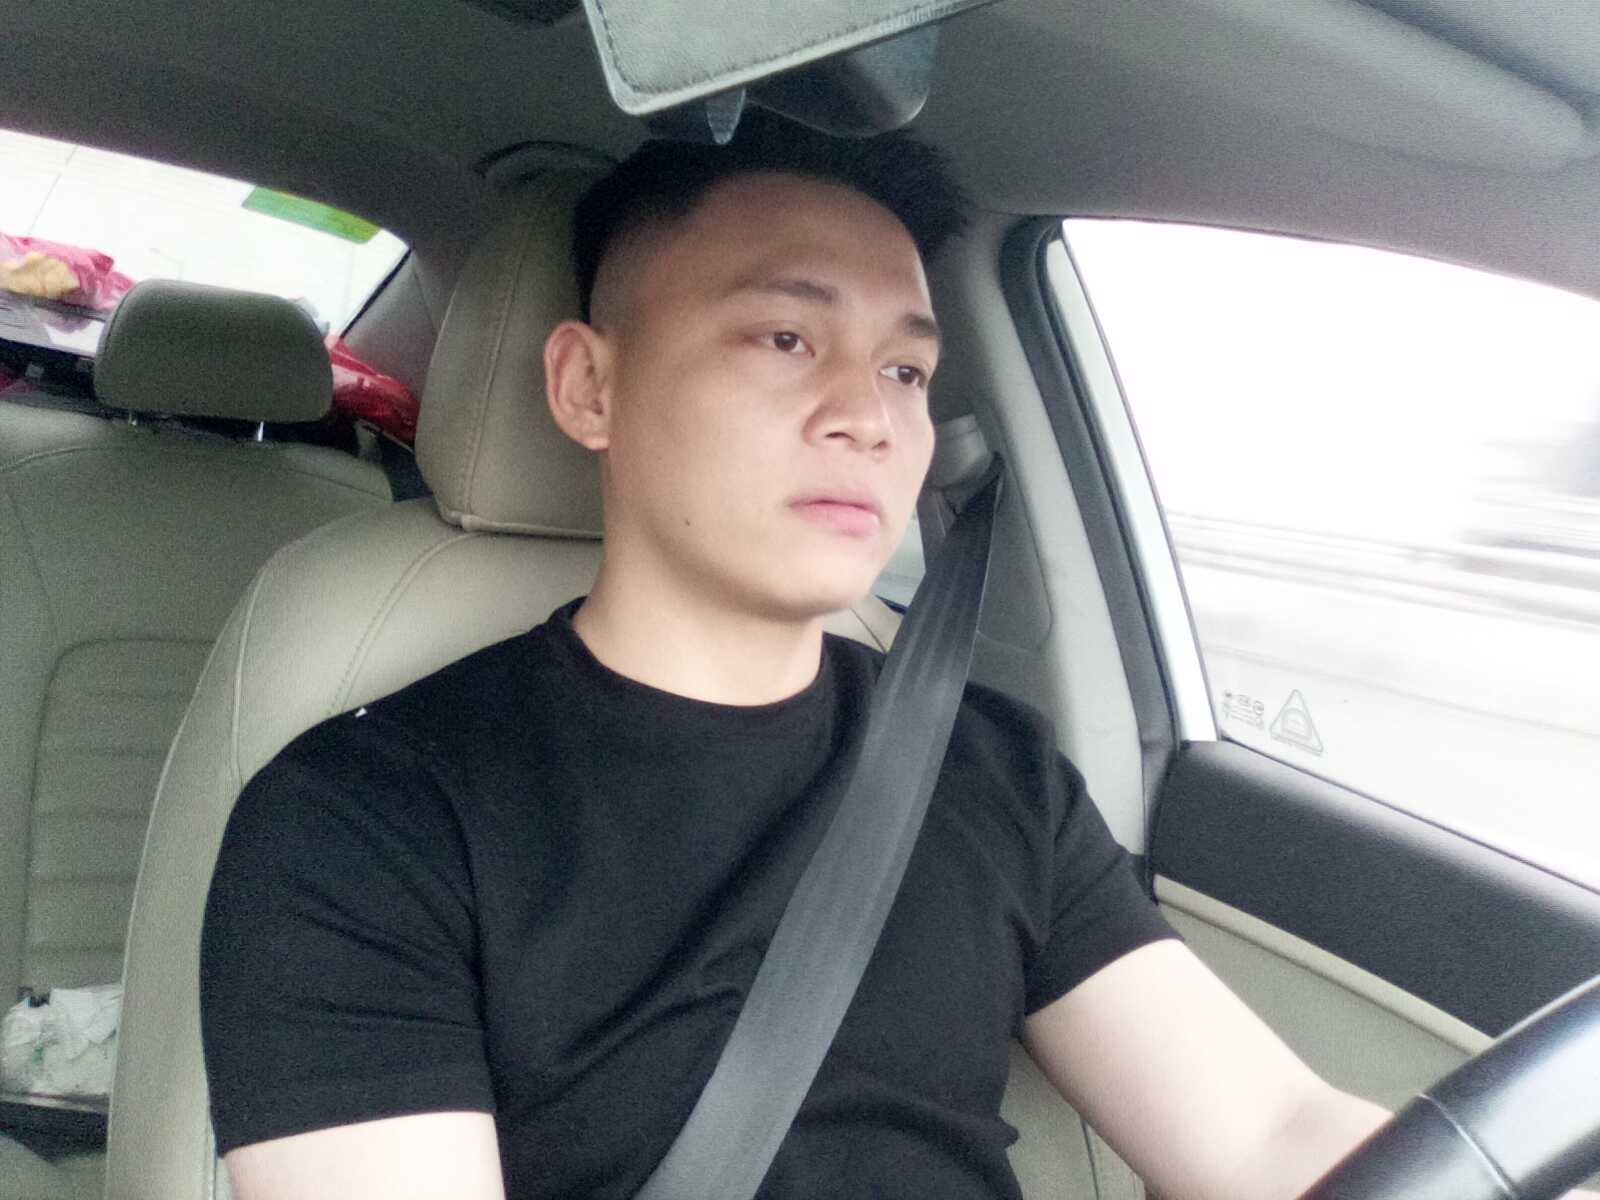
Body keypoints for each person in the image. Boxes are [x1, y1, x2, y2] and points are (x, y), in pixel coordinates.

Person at [200, 113, 1393, 1200]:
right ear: (588, 386)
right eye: (784, 337)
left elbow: (1265, 1133)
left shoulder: (991, 771)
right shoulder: (361, 823)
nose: (868, 418)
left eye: (905, 371)